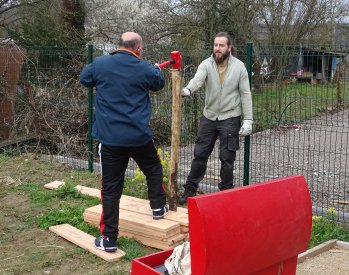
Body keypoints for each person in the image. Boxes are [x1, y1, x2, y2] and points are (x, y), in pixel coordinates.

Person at [79, 32, 168, 252]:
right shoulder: (145, 67)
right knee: (154, 168)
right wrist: (155, 69)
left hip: (111, 140)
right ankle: (158, 207)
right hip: (139, 137)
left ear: (119, 45)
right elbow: (158, 83)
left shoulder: (100, 64)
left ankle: (109, 238)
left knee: (110, 188)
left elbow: (84, 78)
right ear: (138, 48)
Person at [179, 32, 253, 205]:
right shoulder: (206, 64)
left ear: (229, 47)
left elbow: (245, 93)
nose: (217, 49)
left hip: (230, 117)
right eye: (215, 45)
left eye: (221, 45)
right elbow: (198, 80)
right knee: (200, 155)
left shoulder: (239, 67)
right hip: (209, 116)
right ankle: (190, 190)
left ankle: (226, 195)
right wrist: (188, 90)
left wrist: (248, 119)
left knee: (227, 158)